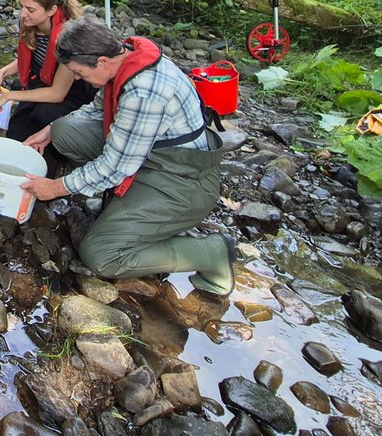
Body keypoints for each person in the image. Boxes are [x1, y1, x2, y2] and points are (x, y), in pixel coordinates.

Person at [19, 15, 233, 294]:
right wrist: (49, 129)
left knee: (100, 254)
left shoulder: (144, 92)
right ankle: (122, 206)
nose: (75, 78)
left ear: (102, 61)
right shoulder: (123, 60)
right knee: (64, 129)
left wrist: (54, 188)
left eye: (79, 73)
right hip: (148, 156)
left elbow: (114, 167)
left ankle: (211, 253)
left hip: (182, 180)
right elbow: (97, 110)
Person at [0, 0, 95, 142]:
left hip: (70, 92)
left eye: (30, 10)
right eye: (21, 6)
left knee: (44, 114)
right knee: (15, 133)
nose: (22, 14)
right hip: (43, 81)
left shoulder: (68, 38)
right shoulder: (31, 26)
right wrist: (2, 72)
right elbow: (33, 60)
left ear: (52, 10)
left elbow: (57, 94)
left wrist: (9, 96)